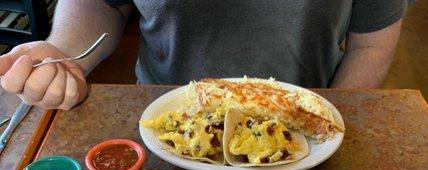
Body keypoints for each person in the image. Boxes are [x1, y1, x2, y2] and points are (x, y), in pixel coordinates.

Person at [0, 0, 405, 110]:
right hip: (164, 123)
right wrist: (67, 51)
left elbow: (371, 44)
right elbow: (104, 3)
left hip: (302, 131)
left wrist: (326, 122)